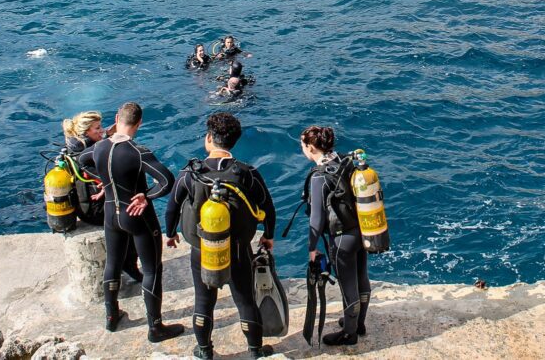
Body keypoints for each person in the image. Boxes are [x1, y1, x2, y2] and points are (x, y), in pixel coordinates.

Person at [164, 112, 277, 359]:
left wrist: (171, 234)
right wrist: (268, 235)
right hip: (238, 249)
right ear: (234, 142)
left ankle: (205, 351)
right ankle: (255, 351)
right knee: (245, 299)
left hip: (202, 248)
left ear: (208, 138)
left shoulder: (191, 172)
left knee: (204, 301)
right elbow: (267, 207)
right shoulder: (246, 172)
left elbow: (172, 206)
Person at [79, 102, 182, 342]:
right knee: (152, 269)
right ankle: (155, 327)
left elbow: (81, 162)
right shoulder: (138, 152)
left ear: (116, 118)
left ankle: (112, 316)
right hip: (136, 215)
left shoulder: (99, 148)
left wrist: (105, 181)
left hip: (110, 214)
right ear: (139, 123)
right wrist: (146, 196)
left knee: (112, 263)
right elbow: (167, 181)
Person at [301, 125, 371, 346]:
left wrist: (312, 248)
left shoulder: (319, 178)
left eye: (303, 146)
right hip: (363, 229)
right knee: (362, 278)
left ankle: (349, 335)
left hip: (342, 240)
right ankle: (359, 323)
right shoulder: (346, 161)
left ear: (311, 148)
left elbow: (316, 219)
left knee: (348, 286)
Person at [62, 111, 143, 280]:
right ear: (86, 133)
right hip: (96, 212)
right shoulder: (91, 153)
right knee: (132, 215)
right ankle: (129, 264)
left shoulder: (76, 149)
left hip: (83, 209)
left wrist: (106, 133)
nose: (102, 131)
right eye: (97, 128)